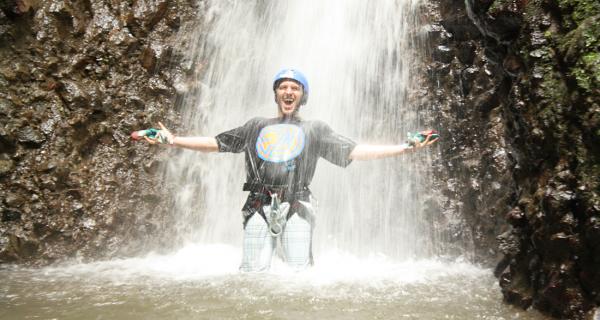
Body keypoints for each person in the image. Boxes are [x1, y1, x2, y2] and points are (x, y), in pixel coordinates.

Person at [142, 68, 437, 272]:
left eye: (294, 88)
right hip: (258, 204)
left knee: (299, 274)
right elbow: (217, 143)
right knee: (251, 273)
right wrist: (174, 140)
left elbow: (355, 151)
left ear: (302, 96)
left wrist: (403, 148)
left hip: (297, 204)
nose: (288, 91)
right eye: (282, 87)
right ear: (275, 94)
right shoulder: (256, 125)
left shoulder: (315, 130)